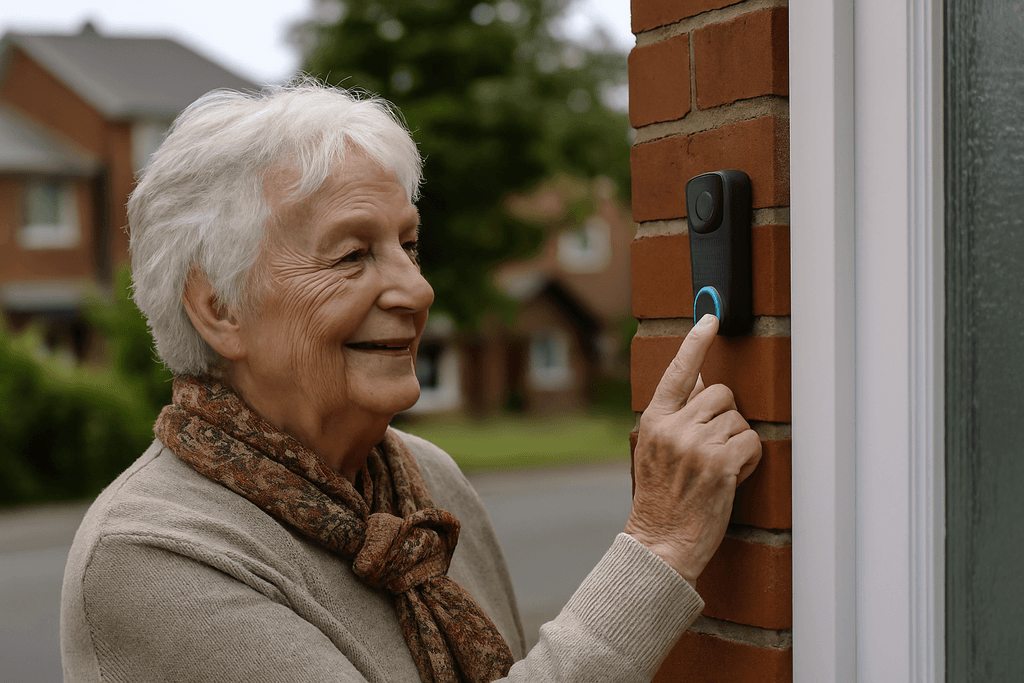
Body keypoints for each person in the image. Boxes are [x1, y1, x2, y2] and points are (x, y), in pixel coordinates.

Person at [60, 81, 761, 683]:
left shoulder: (426, 478)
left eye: (409, 243)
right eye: (353, 253)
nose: (416, 289)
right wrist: (658, 545)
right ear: (219, 306)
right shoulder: (148, 557)